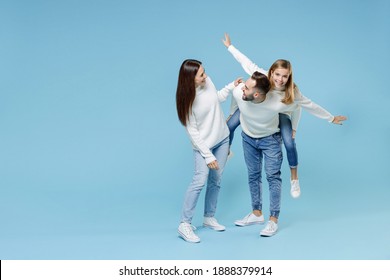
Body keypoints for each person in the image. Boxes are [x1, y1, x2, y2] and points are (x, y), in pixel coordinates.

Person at [223, 33, 347, 199]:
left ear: (289, 76)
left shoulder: (291, 91)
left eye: (285, 76)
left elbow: (307, 106)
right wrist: (231, 47)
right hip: (257, 110)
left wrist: (330, 118)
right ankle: (226, 152)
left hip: (280, 114)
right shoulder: (263, 76)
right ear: (272, 72)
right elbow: (246, 63)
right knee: (228, 126)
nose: (280, 79)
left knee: (289, 142)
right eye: (277, 75)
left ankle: (294, 177)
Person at [175, 59, 237, 243]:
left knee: (216, 179)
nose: (206, 76)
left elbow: (216, 98)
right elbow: (192, 132)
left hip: (222, 138)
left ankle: (209, 217)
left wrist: (231, 86)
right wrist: (208, 155)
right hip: (204, 146)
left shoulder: (207, 82)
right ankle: (184, 224)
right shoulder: (187, 100)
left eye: (204, 71)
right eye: (201, 75)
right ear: (190, 79)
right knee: (200, 180)